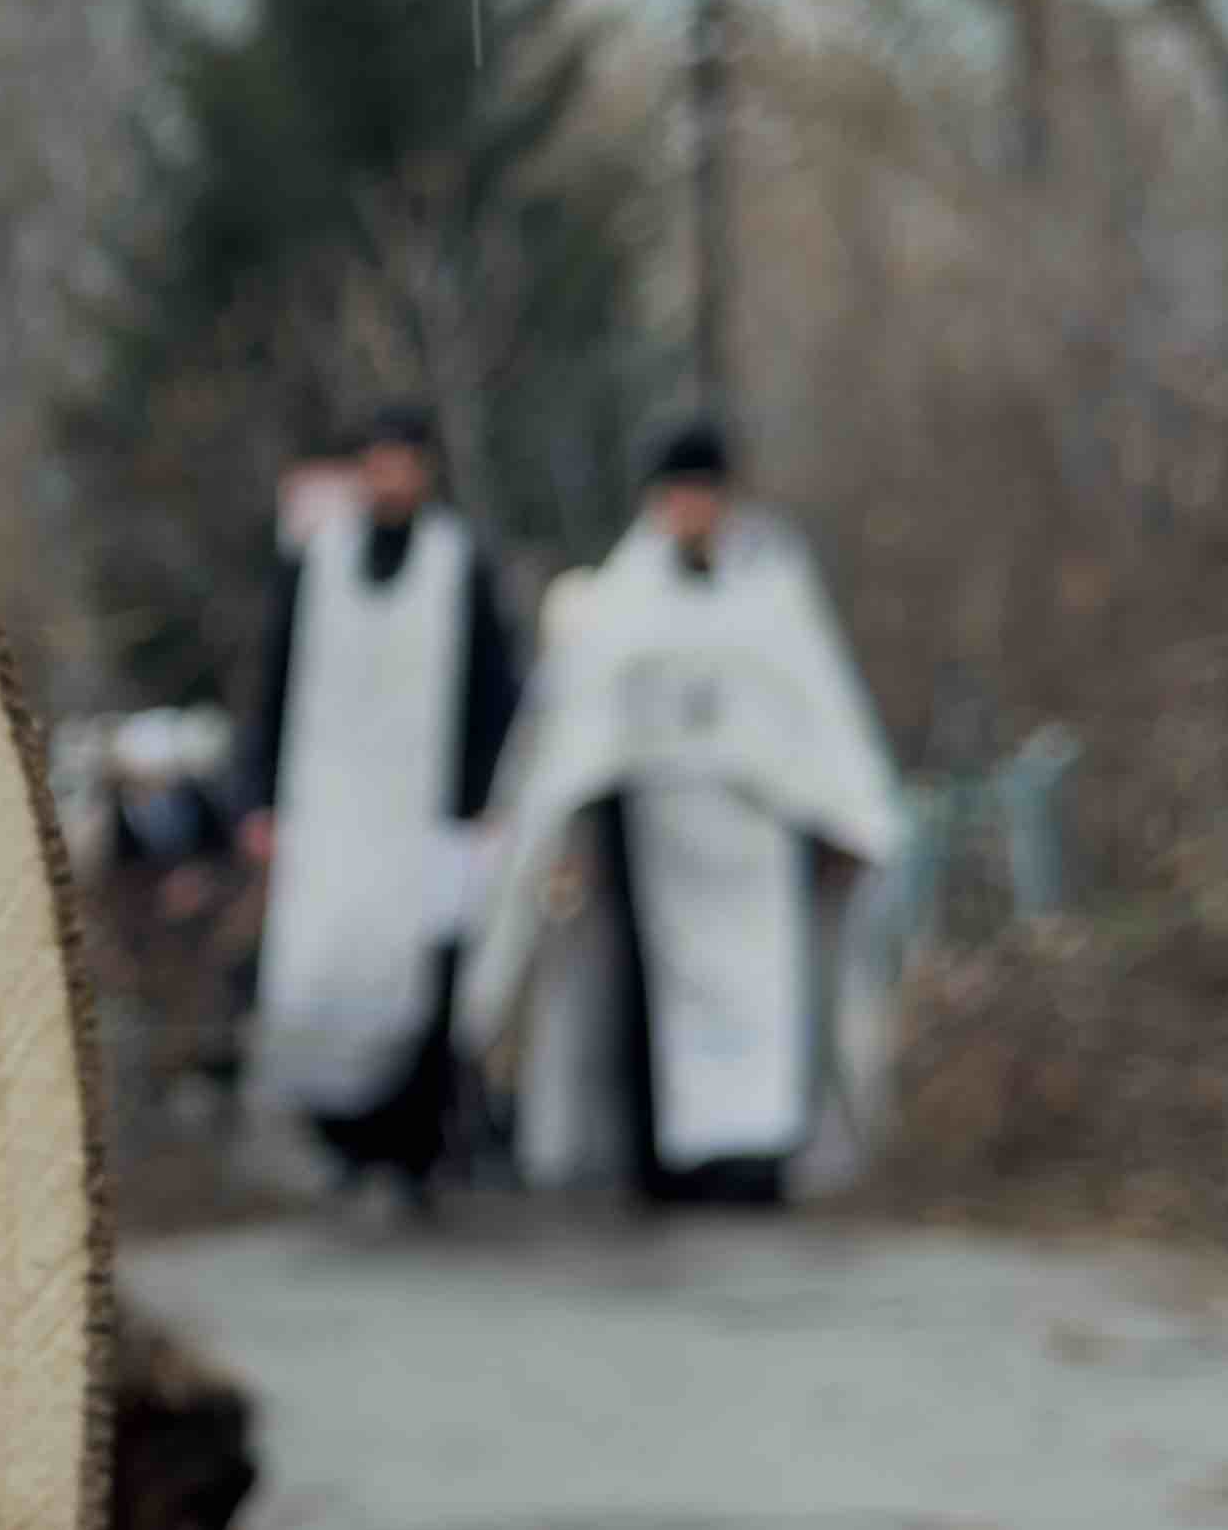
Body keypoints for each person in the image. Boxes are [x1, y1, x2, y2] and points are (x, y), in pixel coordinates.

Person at [466, 419, 906, 1208]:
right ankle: (660, 1164)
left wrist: (842, 814)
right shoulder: (622, 598)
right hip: (655, 837)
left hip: (756, 843)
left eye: (704, 493)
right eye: (678, 494)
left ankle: (757, 1160)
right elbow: (576, 727)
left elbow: (816, 712)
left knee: (763, 999)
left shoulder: (772, 591)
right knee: (653, 1011)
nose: (692, 509)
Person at [236, 404, 524, 1210]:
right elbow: (273, 680)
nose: (390, 477)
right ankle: (343, 1140)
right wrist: (257, 796)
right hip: (327, 809)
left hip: (426, 818)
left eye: (405, 462)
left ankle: (414, 1151)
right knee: (326, 973)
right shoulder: (314, 563)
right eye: (378, 462)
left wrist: (483, 802)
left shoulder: (458, 563)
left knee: (421, 983)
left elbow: (492, 690)